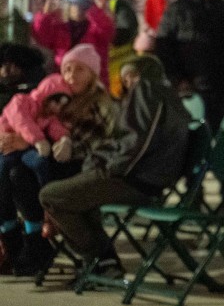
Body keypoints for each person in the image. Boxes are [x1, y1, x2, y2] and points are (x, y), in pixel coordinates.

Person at [39, 54, 190, 278]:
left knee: (52, 196)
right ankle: (103, 261)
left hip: (134, 179)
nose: (127, 83)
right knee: (77, 193)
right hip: (146, 177)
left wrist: (111, 169)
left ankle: (99, 257)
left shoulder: (147, 90)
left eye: (130, 76)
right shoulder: (169, 96)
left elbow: (139, 141)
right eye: (125, 79)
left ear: (143, 74)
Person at [0, 44, 117, 276]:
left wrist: (28, 143)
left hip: (88, 168)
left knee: (21, 174)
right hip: (59, 163)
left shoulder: (97, 103)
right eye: (67, 69)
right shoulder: (60, 98)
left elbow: (85, 147)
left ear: (92, 73)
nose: (71, 75)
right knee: (12, 171)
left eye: (79, 70)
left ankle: (37, 243)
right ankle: (27, 242)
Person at [155, 0, 224, 132]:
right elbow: (164, 47)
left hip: (221, 89)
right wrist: (178, 79)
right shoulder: (177, 10)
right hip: (188, 87)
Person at [31, 0, 115, 87]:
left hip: (92, 86)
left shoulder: (96, 30)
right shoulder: (59, 29)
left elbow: (107, 29)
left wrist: (93, 9)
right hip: (65, 83)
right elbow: (40, 35)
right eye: (74, 4)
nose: (78, 8)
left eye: (82, 6)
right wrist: (47, 10)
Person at [80, 0, 139, 97]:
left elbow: (125, 33)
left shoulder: (118, 5)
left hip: (118, 72)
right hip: (95, 73)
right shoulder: (86, 9)